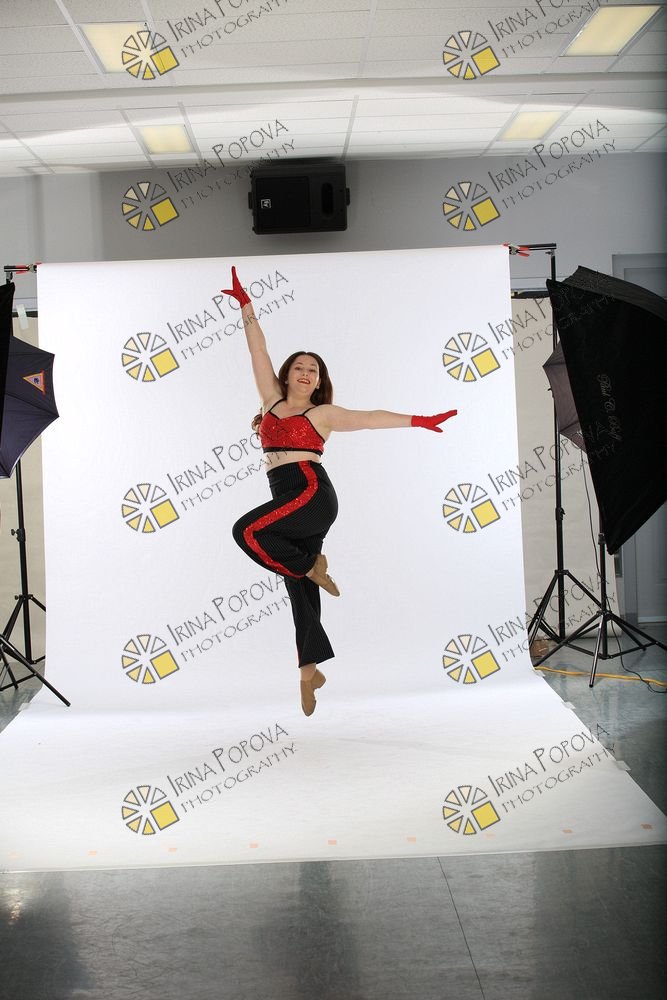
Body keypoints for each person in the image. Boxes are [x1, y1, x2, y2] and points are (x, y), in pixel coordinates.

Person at [223, 267, 457, 717]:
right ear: (287, 375)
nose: (305, 373)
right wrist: (246, 305)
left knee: (247, 532)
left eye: (313, 370)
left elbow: (370, 418)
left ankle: (312, 566)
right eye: (299, 367)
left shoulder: (323, 414)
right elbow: (257, 349)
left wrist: (419, 420)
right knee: (298, 587)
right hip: (286, 496)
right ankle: (309, 673)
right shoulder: (271, 401)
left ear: (318, 380)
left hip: (311, 493)